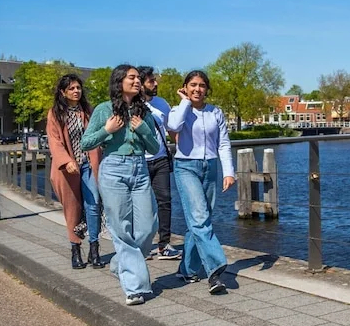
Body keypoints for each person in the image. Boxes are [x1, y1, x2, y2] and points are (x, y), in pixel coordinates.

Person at [81, 65, 160, 306]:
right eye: (132, 77)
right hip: (114, 169)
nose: (137, 82)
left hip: (140, 169)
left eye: (138, 78)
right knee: (121, 228)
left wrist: (144, 129)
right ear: (119, 81)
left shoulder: (143, 111)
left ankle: (119, 263)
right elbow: (86, 142)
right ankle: (134, 288)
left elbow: (155, 148)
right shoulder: (104, 109)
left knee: (148, 226)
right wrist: (107, 130)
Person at [166, 69, 235, 295]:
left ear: (207, 89)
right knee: (199, 218)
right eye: (193, 85)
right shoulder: (178, 110)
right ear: (185, 87)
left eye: (202, 85)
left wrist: (228, 172)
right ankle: (215, 268)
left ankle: (187, 269)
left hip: (210, 167)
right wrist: (184, 102)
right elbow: (173, 127)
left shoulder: (216, 112)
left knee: (200, 220)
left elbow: (223, 143)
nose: (197, 89)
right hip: (186, 166)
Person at [46, 73, 103, 269]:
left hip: (88, 164)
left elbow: (97, 134)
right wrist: (66, 160)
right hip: (68, 168)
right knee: (72, 209)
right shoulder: (55, 114)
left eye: (78, 87)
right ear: (63, 92)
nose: (76, 91)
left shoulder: (87, 111)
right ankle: (75, 249)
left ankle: (94, 249)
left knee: (93, 204)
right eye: (71, 88)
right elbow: (54, 141)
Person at [137, 66, 180, 261]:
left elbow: (172, 131)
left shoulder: (162, 103)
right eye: (151, 81)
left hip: (161, 159)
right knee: (141, 204)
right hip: (140, 160)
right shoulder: (132, 105)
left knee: (165, 201)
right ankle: (142, 245)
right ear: (141, 84)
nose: (155, 84)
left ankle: (164, 245)